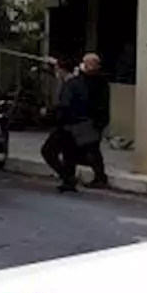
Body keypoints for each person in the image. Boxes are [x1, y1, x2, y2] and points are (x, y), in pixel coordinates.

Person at [53, 53, 112, 191]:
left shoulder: (92, 81)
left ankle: (96, 178)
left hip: (87, 121)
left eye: (88, 64)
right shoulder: (96, 80)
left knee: (86, 151)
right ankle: (89, 178)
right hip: (89, 121)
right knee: (82, 150)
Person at [40, 57, 78, 191]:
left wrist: (50, 112)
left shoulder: (69, 85)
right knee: (69, 154)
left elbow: (64, 105)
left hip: (66, 125)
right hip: (74, 125)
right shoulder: (75, 82)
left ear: (62, 70)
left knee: (48, 151)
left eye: (57, 70)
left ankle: (67, 177)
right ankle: (69, 181)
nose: (56, 72)